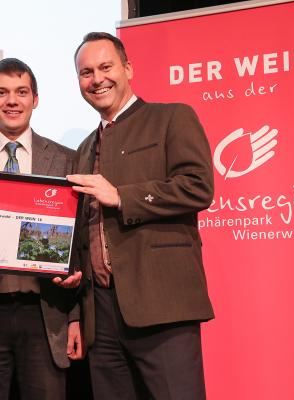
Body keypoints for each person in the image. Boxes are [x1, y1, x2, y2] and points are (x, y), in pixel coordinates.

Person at [67, 32, 215, 399]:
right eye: (86, 72)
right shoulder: (84, 148)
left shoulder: (171, 117)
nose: (97, 79)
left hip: (161, 304)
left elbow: (198, 186)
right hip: (100, 314)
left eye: (105, 67)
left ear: (128, 68)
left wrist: (121, 196)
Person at [0, 58, 83, 400]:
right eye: (2, 92)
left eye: (22, 92)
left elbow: (78, 243)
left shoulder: (67, 159)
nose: (12, 101)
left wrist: (77, 316)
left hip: (47, 315)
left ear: (35, 99)